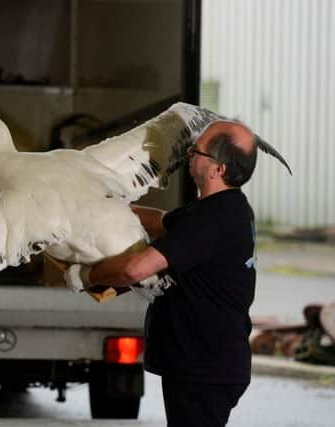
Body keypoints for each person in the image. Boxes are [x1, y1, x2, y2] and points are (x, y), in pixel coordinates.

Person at [65, 120, 258, 427]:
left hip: (203, 367)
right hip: (206, 363)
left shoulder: (213, 220)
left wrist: (86, 275)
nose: (189, 154)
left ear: (217, 169)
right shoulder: (223, 208)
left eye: (197, 150)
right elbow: (160, 222)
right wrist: (103, 207)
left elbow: (134, 269)